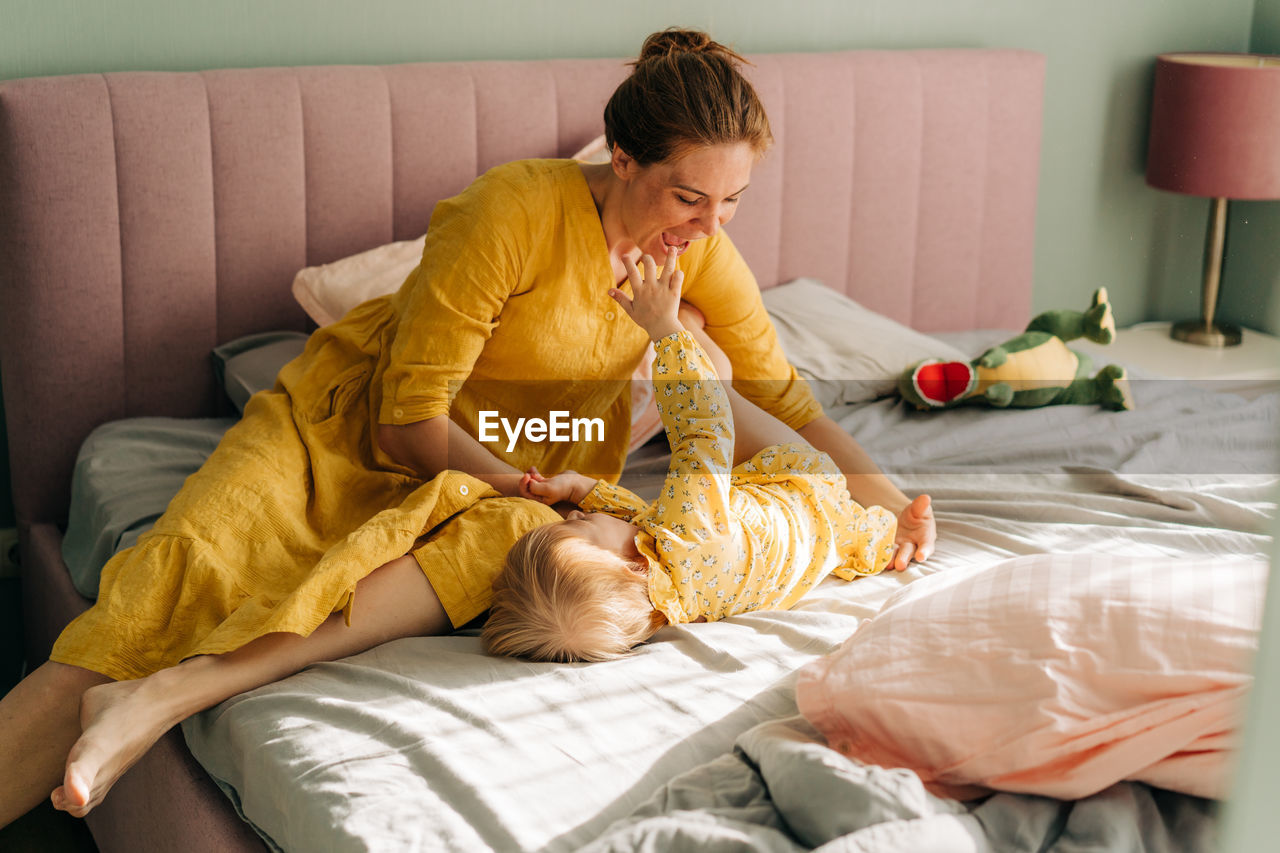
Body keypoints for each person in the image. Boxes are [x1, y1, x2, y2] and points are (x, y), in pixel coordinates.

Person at [0, 27, 935, 827]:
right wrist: (517, 482)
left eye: (731, 202)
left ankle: (169, 693)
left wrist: (888, 503)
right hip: (354, 433)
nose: (707, 225)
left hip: (514, 481)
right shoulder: (511, 213)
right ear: (624, 157)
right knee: (186, 571)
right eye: (689, 197)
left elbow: (783, 397)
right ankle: (121, 694)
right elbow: (408, 422)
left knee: (509, 551)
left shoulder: (699, 260)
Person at [483, 249, 923, 662]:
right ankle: (690, 329)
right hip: (794, 481)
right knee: (720, 396)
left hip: (828, 540)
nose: (574, 516)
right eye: (582, 528)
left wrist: (582, 488)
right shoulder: (684, 532)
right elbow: (702, 431)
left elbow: (642, 523)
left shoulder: (673, 602)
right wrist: (664, 332)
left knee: (863, 539)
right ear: (635, 566)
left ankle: (892, 539)